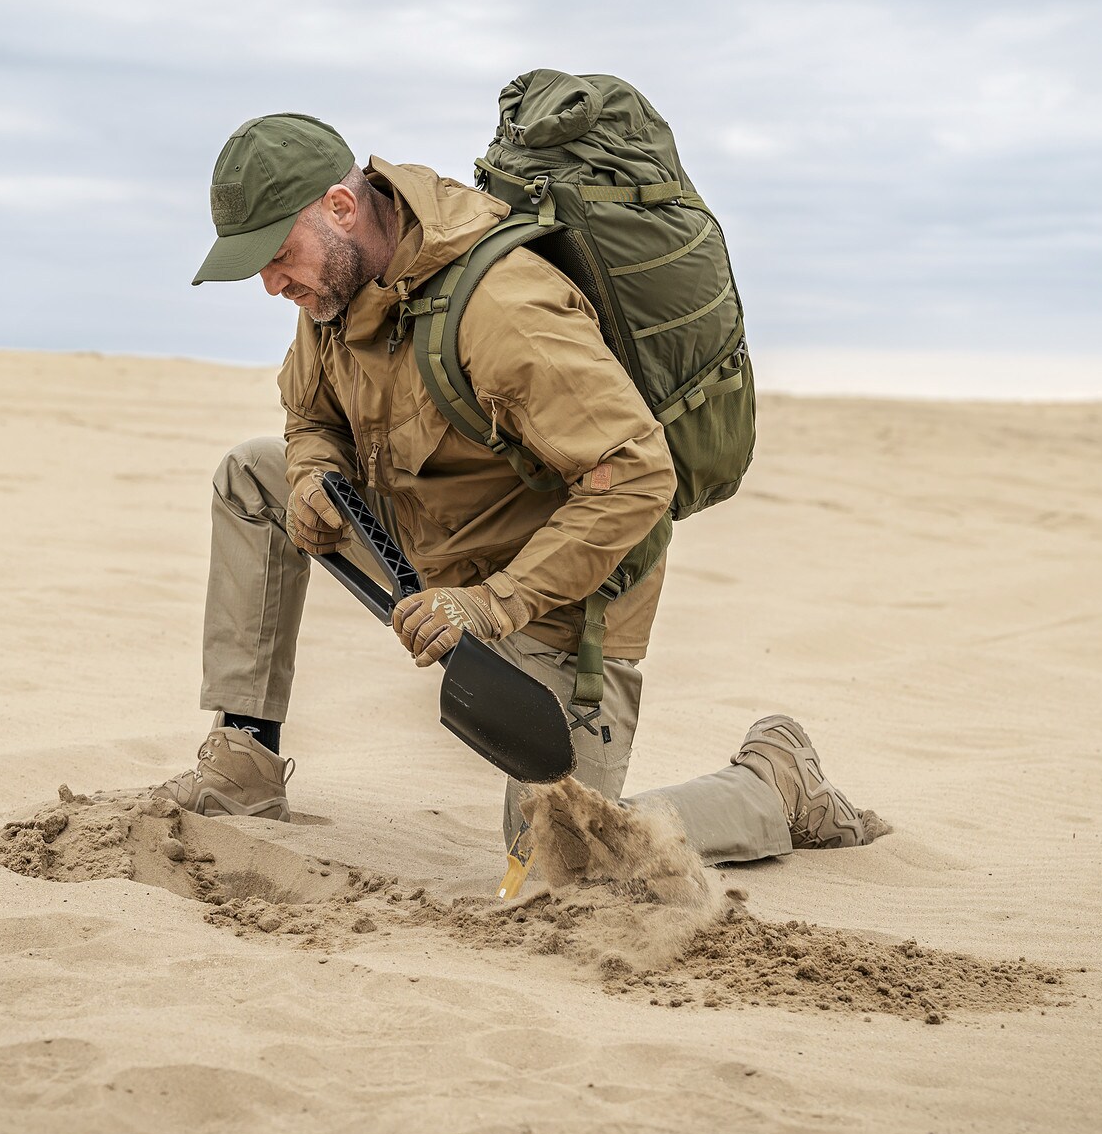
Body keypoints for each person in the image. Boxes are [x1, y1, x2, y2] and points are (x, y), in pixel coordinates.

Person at [159, 111, 873, 864]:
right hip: (432, 547)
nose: (271, 284)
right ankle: (244, 762)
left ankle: (773, 784)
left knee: (566, 855)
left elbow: (637, 475)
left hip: (559, 597)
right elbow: (311, 413)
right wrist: (312, 473)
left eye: (278, 255)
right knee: (255, 474)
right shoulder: (336, 286)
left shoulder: (503, 307)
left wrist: (491, 605)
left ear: (340, 208)